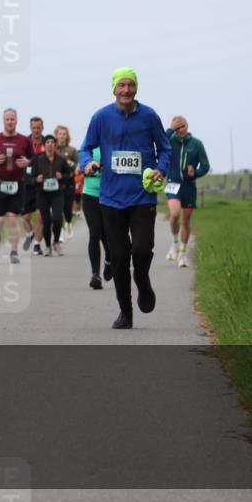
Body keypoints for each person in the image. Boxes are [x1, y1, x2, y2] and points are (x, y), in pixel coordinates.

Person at [79, 67, 171, 329]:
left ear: (137, 87)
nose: (126, 90)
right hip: (111, 197)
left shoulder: (150, 116)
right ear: (114, 89)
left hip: (143, 195)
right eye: (122, 85)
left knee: (142, 250)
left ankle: (142, 280)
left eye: (131, 85)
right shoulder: (101, 117)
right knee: (119, 256)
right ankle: (125, 311)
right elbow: (85, 148)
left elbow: (164, 148)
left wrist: (160, 169)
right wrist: (87, 164)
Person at [0, 108, 33, 264]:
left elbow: (34, 159)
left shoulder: (24, 141)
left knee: (13, 219)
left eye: (12, 119)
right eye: (7, 119)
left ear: (17, 120)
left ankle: (14, 252)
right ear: (3, 120)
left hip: (17, 184)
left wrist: (28, 162)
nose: (10, 122)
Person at [164, 116, 210, 268]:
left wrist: (195, 173)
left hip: (189, 187)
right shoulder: (169, 141)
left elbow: (205, 165)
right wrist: (170, 129)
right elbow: (159, 142)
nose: (180, 129)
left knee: (186, 221)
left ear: (187, 126)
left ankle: (183, 254)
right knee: (175, 214)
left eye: (182, 126)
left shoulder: (196, 144)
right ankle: (174, 243)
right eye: (177, 128)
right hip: (172, 183)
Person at [32, 134, 71, 256]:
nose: (50, 144)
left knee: (57, 218)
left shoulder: (61, 160)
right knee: (46, 221)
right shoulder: (37, 160)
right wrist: (36, 180)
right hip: (42, 194)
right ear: (44, 145)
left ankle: (56, 242)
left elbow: (69, 175)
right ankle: (48, 246)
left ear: (55, 145)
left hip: (57, 194)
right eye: (48, 142)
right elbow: (30, 178)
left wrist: (62, 177)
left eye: (52, 142)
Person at [81, 147, 113, 289]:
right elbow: (80, 168)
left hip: (110, 195)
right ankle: (95, 275)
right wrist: (87, 168)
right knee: (94, 233)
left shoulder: (113, 145)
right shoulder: (89, 148)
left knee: (107, 233)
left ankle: (109, 258)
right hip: (90, 195)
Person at [21, 117, 46, 255]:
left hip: (42, 185)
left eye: (38, 128)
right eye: (34, 128)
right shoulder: (24, 142)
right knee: (25, 217)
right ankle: (30, 233)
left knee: (41, 216)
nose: (36, 130)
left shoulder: (47, 142)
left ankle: (37, 244)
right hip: (27, 183)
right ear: (30, 128)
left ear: (42, 128)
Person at [54, 124, 79, 240]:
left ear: (67, 136)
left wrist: (67, 162)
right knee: (58, 209)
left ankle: (68, 222)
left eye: (64, 134)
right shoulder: (53, 149)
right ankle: (60, 232)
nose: (62, 136)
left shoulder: (72, 150)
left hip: (69, 182)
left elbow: (77, 166)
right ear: (56, 135)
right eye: (60, 134)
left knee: (67, 208)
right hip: (56, 183)